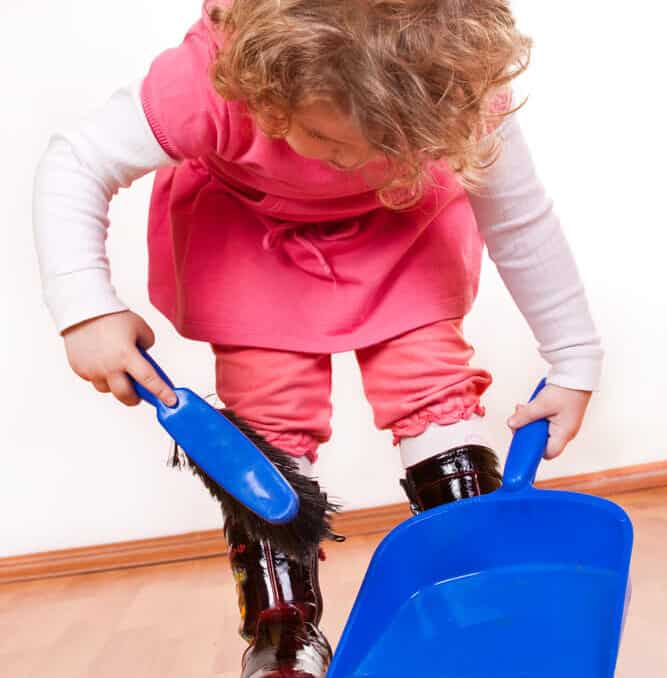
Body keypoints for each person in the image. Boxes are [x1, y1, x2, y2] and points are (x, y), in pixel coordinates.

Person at [32, 1, 602, 676]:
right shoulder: (207, 81)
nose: (351, 161)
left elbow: (519, 218)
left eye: (388, 144)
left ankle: (475, 582)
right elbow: (77, 162)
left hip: (400, 227)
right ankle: (282, 624)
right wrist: (85, 309)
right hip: (252, 238)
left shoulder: (456, 87)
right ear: (269, 92)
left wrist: (572, 356)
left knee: (430, 382)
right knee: (267, 415)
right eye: (324, 137)